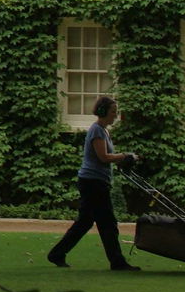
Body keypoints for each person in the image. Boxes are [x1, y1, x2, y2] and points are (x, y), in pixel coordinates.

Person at [48, 95, 140, 271]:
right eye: (113, 112)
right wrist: (124, 156)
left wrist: (124, 157)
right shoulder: (97, 130)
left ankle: (57, 254)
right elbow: (103, 157)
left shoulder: (104, 130)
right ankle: (117, 261)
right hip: (93, 183)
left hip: (96, 181)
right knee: (108, 223)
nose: (115, 115)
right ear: (104, 111)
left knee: (85, 222)